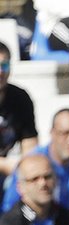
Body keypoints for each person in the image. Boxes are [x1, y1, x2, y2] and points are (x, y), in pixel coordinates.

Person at [0, 46, 37, 180]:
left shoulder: (20, 99)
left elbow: (30, 146)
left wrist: (29, 170)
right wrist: (4, 165)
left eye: (4, 65)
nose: (0, 72)